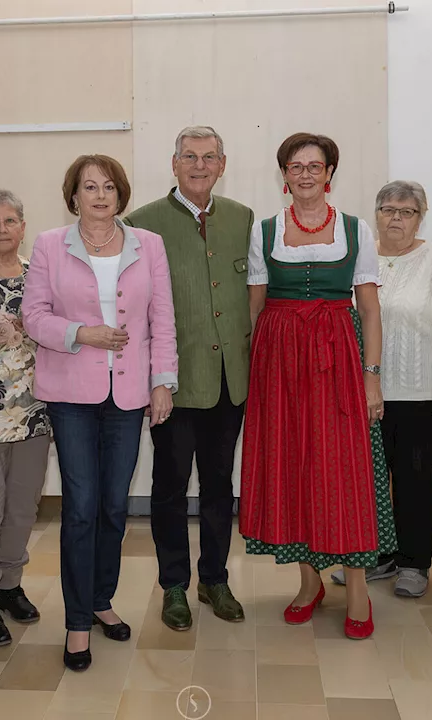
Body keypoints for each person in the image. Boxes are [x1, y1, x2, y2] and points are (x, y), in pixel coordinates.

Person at [23, 155, 177, 672]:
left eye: (109, 186)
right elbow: (33, 317)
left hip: (129, 396)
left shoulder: (147, 244)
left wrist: (162, 383)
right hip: (71, 394)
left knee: (114, 505)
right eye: (89, 186)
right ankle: (76, 623)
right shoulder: (49, 245)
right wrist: (81, 334)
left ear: (121, 194)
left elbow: (163, 321)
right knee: (82, 505)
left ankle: (100, 598)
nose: (100, 195)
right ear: (73, 196)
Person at [239, 132, 394, 641]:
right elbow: (256, 309)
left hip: (338, 357)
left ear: (329, 173)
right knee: (294, 466)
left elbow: (369, 310)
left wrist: (372, 378)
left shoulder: (355, 229)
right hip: (281, 362)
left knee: (342, 469)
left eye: (316, 165)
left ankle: (357, 589)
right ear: (283, 174)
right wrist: (256, 378)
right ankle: (309, 585)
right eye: (295, 165)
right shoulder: (264, 232)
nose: (305, 174)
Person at [126, 126, 252, 630]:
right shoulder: (143, 224)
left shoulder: (243, 220)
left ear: (223, 164)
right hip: (171, 385)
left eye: (209, 157)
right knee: (170, 486)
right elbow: (136, 311)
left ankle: (215, 579)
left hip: (229, 382)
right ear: (173, 164)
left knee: (221, 486)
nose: (199, 165)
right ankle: (174, 585)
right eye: (190, 157)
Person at [331, 181, 432, 598]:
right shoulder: (359, 257)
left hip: (418, 395)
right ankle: (375, 556)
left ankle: (414, 563)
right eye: (388, 209)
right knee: (367, 480)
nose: (396, 218)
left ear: (420, 216)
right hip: (362, 393)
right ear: (376, 214)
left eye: (406, 212)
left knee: (412, 479)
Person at [0, 189, 52, 645]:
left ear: (23, 226)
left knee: (24, 505)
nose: (1, 230)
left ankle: (9, 587)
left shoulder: (39, 274)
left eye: (9, 221)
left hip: (35, 410)